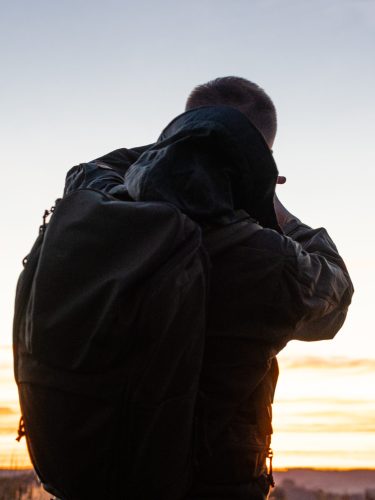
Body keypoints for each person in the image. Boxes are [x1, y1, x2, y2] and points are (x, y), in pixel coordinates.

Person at [64, 76, 354, 499]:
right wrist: (267, 196)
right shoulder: (260, 259)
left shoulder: (100, 214)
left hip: (90, 482)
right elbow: (335, 295)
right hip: (212, 487)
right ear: (261, 157)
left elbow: (86, 172)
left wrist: (169, 153)